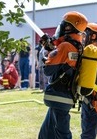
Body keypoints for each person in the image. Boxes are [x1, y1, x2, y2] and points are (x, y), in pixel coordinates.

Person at [38, 11, 88, 139]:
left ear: (67, 28)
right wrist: (51, 48)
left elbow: (48, 70)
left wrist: (47, 53)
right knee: (46, 133)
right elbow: (64, 62)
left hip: (59, 95)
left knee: (62, 134)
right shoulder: (77, 46)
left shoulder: (65, 46)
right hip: (65, 95)